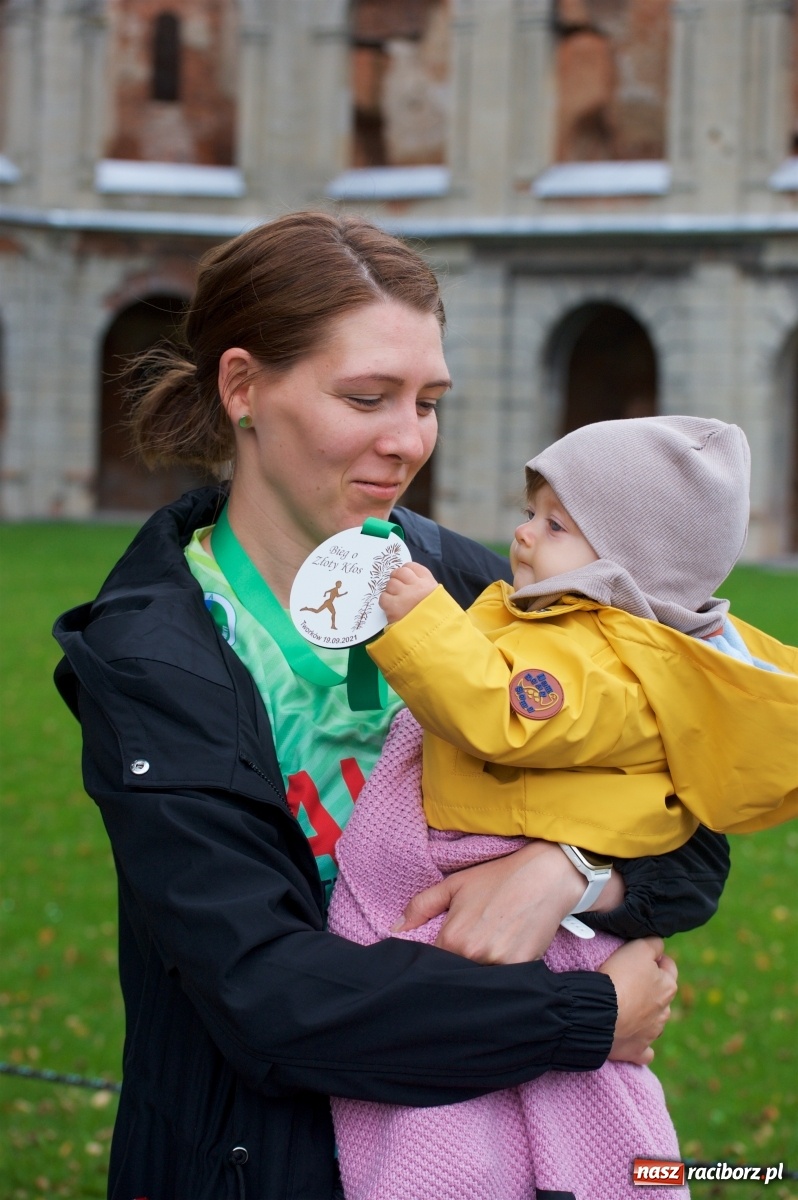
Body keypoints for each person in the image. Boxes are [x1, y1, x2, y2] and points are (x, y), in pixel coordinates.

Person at [52, 212, 729, 1200]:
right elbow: (268, 998)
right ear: (243, 387)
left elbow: (694, 839)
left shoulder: (475, 586)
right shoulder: (153, 652)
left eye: (428, 401)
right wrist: (584, 1020)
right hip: (256, 1165)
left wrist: (570, 872)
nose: (408, 440)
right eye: (366, 397)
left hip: (501, 1157)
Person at [327, 416, 797, 1198]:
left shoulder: (602, 659)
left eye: (555, 524)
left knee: (487, 1108)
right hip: (520, 900)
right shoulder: (569, 630)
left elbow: (500, 716)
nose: (521, 533)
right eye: (531, 511)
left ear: (627, 566)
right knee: (544, 1102)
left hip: (503, 902)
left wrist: (424, 620)